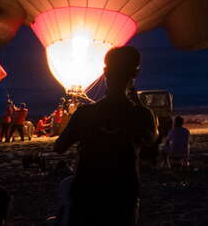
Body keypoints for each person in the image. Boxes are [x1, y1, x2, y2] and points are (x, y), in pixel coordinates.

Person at [54, 46, 157, 225]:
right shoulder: (142, 115)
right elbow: (151, 145)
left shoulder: (84, 114)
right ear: (135, 73)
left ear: (105, 71)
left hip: (86, 194)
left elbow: (59, 147)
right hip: (123, 195)